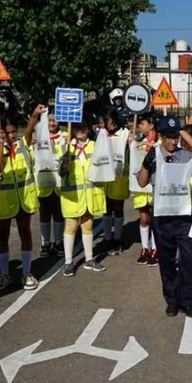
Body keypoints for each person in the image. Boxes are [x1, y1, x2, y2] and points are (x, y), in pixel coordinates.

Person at [137, 115, 192, 319]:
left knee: (189, 260)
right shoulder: (153, 154)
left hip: (183, 217)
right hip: (162, 217)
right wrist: (147, 165)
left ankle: (187, 301)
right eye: (168, 137)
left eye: (175, 137)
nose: (172, 142)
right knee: (166, 262)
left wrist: (185, 134)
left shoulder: (186, 155)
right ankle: (172, 301)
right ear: (161, 136)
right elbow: (141, 183)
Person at [0, 105, 44, 291]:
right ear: (1, 132)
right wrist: (1, 145)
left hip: (23, 199)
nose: (12, 135)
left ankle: (26, 272)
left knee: (25, 233)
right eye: (8, 132)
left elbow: (29, 130)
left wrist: (34, 114)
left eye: (14, 132)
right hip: (5, 201)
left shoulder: (22, 145)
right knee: (3, 238)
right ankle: (4, 274)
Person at [59, 121, 107, 276]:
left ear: (88, 129)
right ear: (72, 130)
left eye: (83, 128)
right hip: (72, 195)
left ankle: (89, 259)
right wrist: (63, 157)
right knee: (71, 227)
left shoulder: (95, 145)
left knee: (88, 225)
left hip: (90, 194)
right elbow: (58, 171)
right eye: (77, 128)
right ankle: (68, 262)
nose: (81, 131)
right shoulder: (65, 145)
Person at [100, 109, 130, 255]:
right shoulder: (102, 134)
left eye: (105, 121)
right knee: (106, 209)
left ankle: (117, 239)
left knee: (117, 209)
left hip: (119, 178)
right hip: (105, 177)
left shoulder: (125, 134)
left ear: (112, 121)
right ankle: (107, 238)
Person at [38, 112, 67, 258]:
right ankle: (45, 243)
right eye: (49, 120)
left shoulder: (65, 136)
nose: (52, 123)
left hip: (59, 181)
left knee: (58, 212)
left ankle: (59, 241)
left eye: (55, 120)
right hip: (43, 180)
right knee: (44, 213)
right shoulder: (40, 137)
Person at [132, 114, 159, 266]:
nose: (140, 127)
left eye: (142, 124)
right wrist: (132, 145)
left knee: (154, 217)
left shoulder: (160, 143)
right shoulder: (138, 143)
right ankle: (144, 248)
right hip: (141, 185)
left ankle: (155, 249)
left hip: (154, 184)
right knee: (144, 218)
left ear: (151, 125)